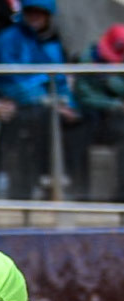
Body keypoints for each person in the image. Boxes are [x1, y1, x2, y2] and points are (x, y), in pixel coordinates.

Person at [0, 0, 79, 201]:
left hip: (48, 104)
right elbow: (12, 80)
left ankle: (72, 187)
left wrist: (69, 105)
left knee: (82, 122)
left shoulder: (53, 44)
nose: (35, 17)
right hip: (16, 104)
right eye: (31, 12)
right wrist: (48, 100)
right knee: (39, 120)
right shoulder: (10, 38)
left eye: (41, 13)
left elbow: (61, 81)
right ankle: (28, 189)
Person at [74, 24, 124, 201]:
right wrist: (112, 103)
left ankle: (121, 194)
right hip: (89, 116)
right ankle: (81, 193)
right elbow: (84, 95)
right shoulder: (88, 59)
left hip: (114, 120)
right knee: (80, 134)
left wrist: (111, 83)